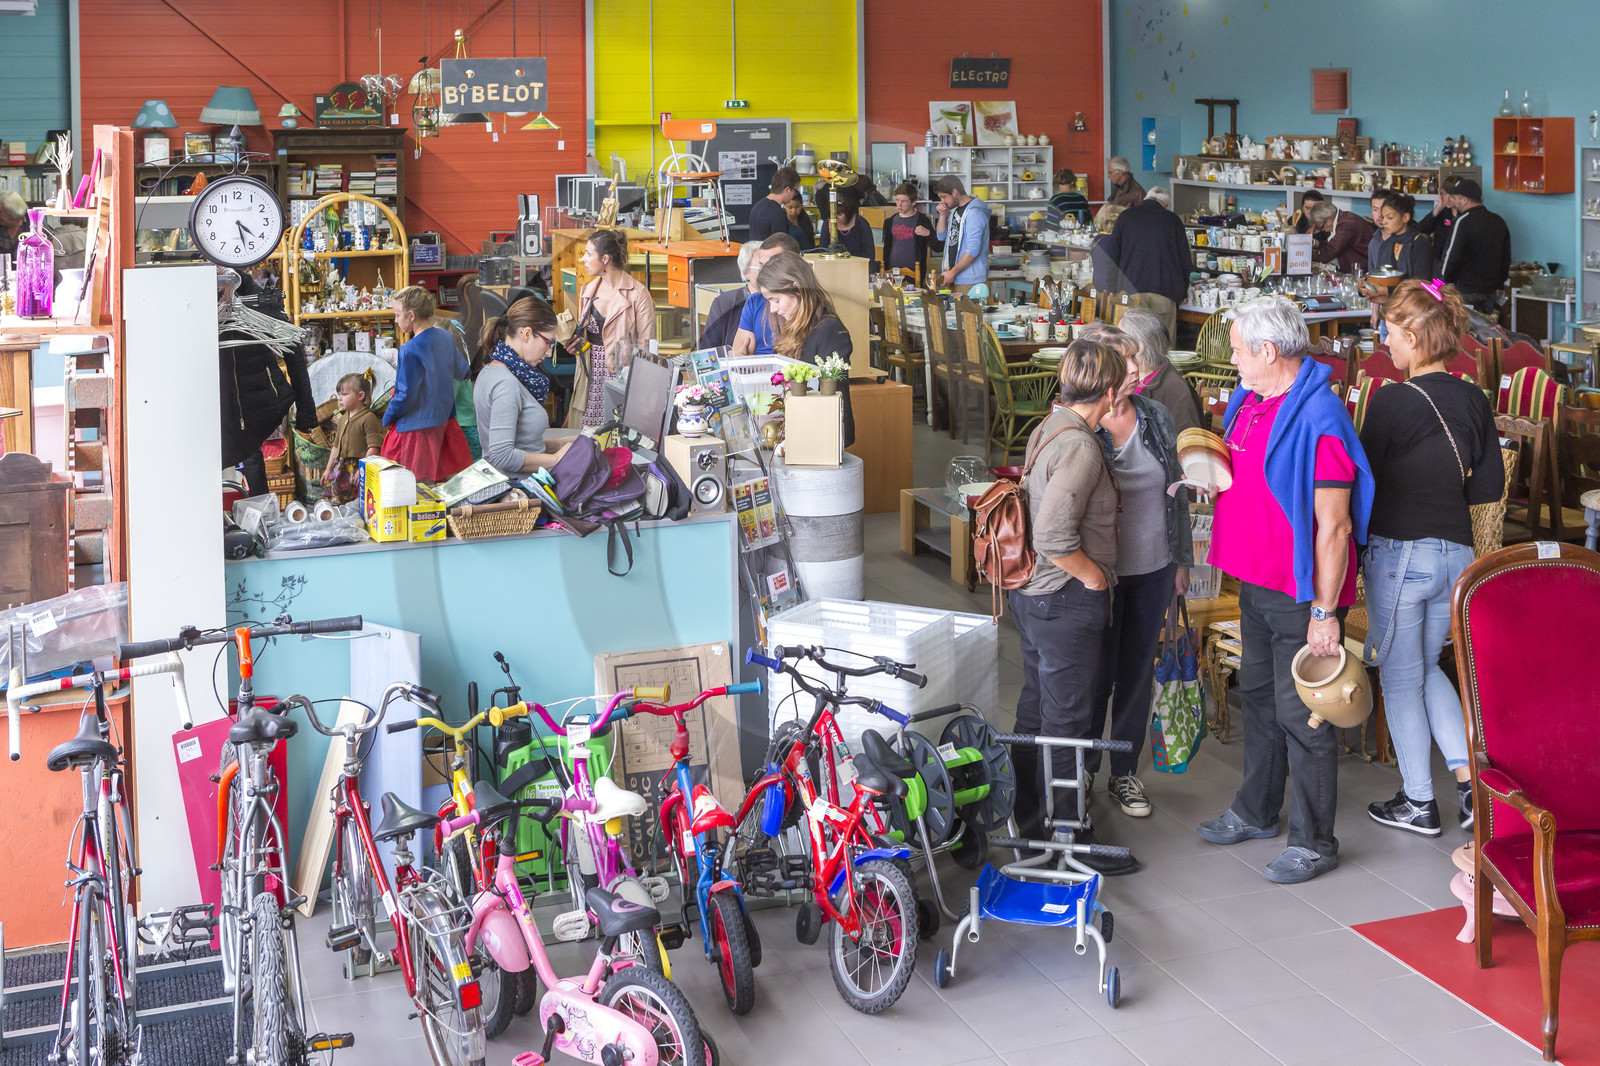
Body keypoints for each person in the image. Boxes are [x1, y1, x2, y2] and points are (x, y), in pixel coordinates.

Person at [1197, 296, 1374, 885]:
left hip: (1300, 593)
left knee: (1304, 716)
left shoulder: (1320, 418)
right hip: (1254, 577)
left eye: (1238, 351)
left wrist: (1325, 612)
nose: (1233, 360)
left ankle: (1315, 842)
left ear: (1269, 351)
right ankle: (1255, 810)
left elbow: (1336, 527)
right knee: (1259, 697)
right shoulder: (1250, 400)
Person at [1360, 280, 1504, 836]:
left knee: (1399, 679)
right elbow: (1488, 488)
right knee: (1425, 669)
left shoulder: (1391, 400)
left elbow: (1363, 486)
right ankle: (1470, 786)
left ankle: (1419, 801)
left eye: (1390, 331)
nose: (1384, 341)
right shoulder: (1473, 398)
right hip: (1456, 556)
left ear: (1415, 335)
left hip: (1402, 554)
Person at [1008, 337, 1127, 870]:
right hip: (1065, 599)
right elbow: (1054, 536)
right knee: (1068, 720)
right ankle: (1068, 836)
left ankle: (1026, 817)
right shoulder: (1080, 445)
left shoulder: (1051, 425)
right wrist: (1096, 578)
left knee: (1038, 706)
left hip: (1035, 596)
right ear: (1109, 391)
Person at [1081, 326, 1193, 818]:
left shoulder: (1155, 415)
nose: (1135, 368)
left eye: (1135, 358)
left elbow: (1177, 490)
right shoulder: (1080, 423)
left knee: (1136, 675)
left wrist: (1181, 560)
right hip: (1098, 575)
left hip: (1153, 567)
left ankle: (1123, 773)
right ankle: (1083, 770)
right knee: (1095, 677)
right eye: (1124, 360)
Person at [755, 252, 855, 447]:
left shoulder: (830, 330)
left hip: (824, 439)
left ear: (797, 288)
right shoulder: (797, 327)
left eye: (775, 300)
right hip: (801, 433)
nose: (773, 309)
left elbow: (830, 397)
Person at [473, 296, 574, 476]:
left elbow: (521, 444)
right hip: (517, 486)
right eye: (548, 342)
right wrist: (557, 458)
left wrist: (559, 444)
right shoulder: (506, 384)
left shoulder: (492, 370)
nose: (549, 352)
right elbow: (502, 456)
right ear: (527, 333)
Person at [382, 285, 472, 481]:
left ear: (411, 315)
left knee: (409, 485)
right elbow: (464, 372)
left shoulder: (408, 349)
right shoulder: (446, 337)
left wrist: (387, 417)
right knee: (441, 484)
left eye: (397, 315)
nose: (396, 320)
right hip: (444, 423)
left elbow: (405, 395)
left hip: (416, 430)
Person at [570, 229, 656, 429]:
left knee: (616, 433)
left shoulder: (638, 294)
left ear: (605, 259)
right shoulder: (587, 291)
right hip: (589, 376)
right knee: (588, 435)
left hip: (621, 377)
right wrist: (573, 345)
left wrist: (642, 391)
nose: (583, 259)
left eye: (588, 254)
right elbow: (584, 338)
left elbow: (647, 348)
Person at [1098, 186, 1190, 340]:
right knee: (1163, 344)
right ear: (1167, 205)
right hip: (1164, 293)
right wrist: (1183, 293)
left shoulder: (1126, 217)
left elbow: (1111, 257)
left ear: (1145, 199)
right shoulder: (1172, 220)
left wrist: (1113, 290)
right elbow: (1185, 260)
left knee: (1131, 342)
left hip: (1130, 292)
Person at [1118, 307, 1204, 433]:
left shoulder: (1176, 390)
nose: (1114, 343)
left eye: (1119, 339)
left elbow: (1189, 441)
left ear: (1138, 348)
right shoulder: (1129, 373)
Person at [1435, 179, 1510, 313]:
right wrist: (1500, 285)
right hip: (1491, 293)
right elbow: (1505, 257)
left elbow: (1452, 257)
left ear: (1464, 200)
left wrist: (1443, 282)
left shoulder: (1463, 221)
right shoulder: (1498, 221)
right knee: (1486, 326)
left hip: (1466, 291)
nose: (1453, 201)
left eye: (1455, 198)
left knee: (1464, 326)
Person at [731, 232, 801, 357]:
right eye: (762, 266)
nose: (765, 272)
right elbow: (740, 354)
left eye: (773, 264)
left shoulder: (808, 307)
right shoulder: (755, 302)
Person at [321, 372, 384, 502]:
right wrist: (328, 469)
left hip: (358, 467)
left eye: (344, 394)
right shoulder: (343, 417)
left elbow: (373, 447)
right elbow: (335, 447)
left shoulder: (368, 418)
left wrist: (363, 469)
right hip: (341, 467)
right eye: (339, 394)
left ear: (360, 396)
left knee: (358, 500)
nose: (339, 398)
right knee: (336, 498)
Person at [932, 176, 991, 293]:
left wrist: (952, 273)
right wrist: (943, 215)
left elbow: (973, 250)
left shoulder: (975, 212)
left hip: (970, 281)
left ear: (955, 192)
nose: (942, 201)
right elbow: (941, 236)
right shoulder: (956, 211)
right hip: (954, 278)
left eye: (944, 197)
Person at [702, 241, 763, 349]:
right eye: (762, 268)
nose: (770, 271)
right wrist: (732, 355)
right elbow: (708, 351)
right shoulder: (724, 304)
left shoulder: (780, 303)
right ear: (745, 272)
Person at [879, 183, 934, 284]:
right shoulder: (889, 222)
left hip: (915, 273)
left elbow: (937, 247)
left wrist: (928, 233)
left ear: (913, 202)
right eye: (897, 200)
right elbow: (886, 248)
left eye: (903, 201)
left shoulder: (922, 221)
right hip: (891, 272)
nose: (899, 204)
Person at [747, 167, 813, 248]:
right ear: (787, 190)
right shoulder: (777, 213)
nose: (795, 194)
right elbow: (780, 247)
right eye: (795, 190)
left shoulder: (758, 206)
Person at [1306, 199, 1376, 274]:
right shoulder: (1346, 217)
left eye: (1321, 227)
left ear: (1329, 219)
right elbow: (1336, 244)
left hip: (1364, 272)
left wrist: (1304, 254)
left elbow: (1329, 253)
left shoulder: (1347, 225)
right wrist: (1318, 244)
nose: (1323, 230)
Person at [826, 186, 875, 260]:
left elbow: (869, 253)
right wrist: (832, 237)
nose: (836, 219)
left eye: (839, 215)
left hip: (859, 264)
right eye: (832, 216)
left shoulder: (862, 223)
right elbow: (823, 250)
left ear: (848, 212)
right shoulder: (827, 224)